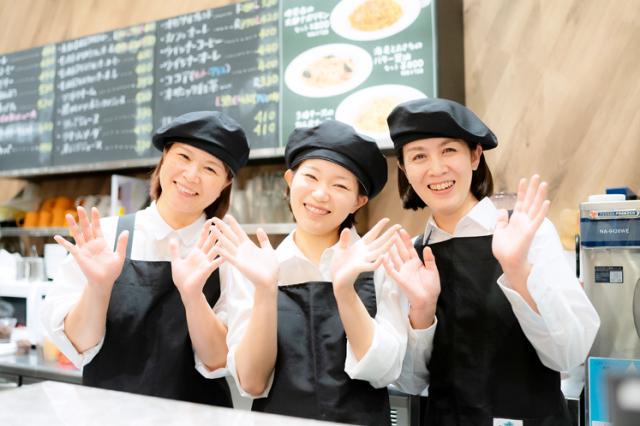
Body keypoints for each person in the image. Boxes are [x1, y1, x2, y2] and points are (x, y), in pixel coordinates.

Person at [383, 98, 600, 425]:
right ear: (404, 169)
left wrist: (518, 271)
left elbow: (568, 355)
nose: (436, 168)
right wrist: (422, 311)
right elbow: (411, 383)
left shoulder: (528, 232)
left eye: (449, 150)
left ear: (474, 155)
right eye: (418, 156)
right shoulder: (410, 255)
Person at [40, 111, 250, 406]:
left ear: (226, 183)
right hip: (108, 417)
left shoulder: (230, 251)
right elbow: (80, 346)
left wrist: (193, 297)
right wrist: (99, 288)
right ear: (164, 158)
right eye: (184, 157)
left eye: (210, 169)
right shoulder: (104, 236)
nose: (191, 175)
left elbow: (218, 361)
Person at [212, 120, 407, 425]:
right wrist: (265, 289)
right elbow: (251, 382)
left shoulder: (381, 264)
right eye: (311, 177)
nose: (320, 194)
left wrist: (344, 292)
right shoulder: (257, 267)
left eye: (340, 185)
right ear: (289, 179)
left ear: (359, 200)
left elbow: (385, 370)